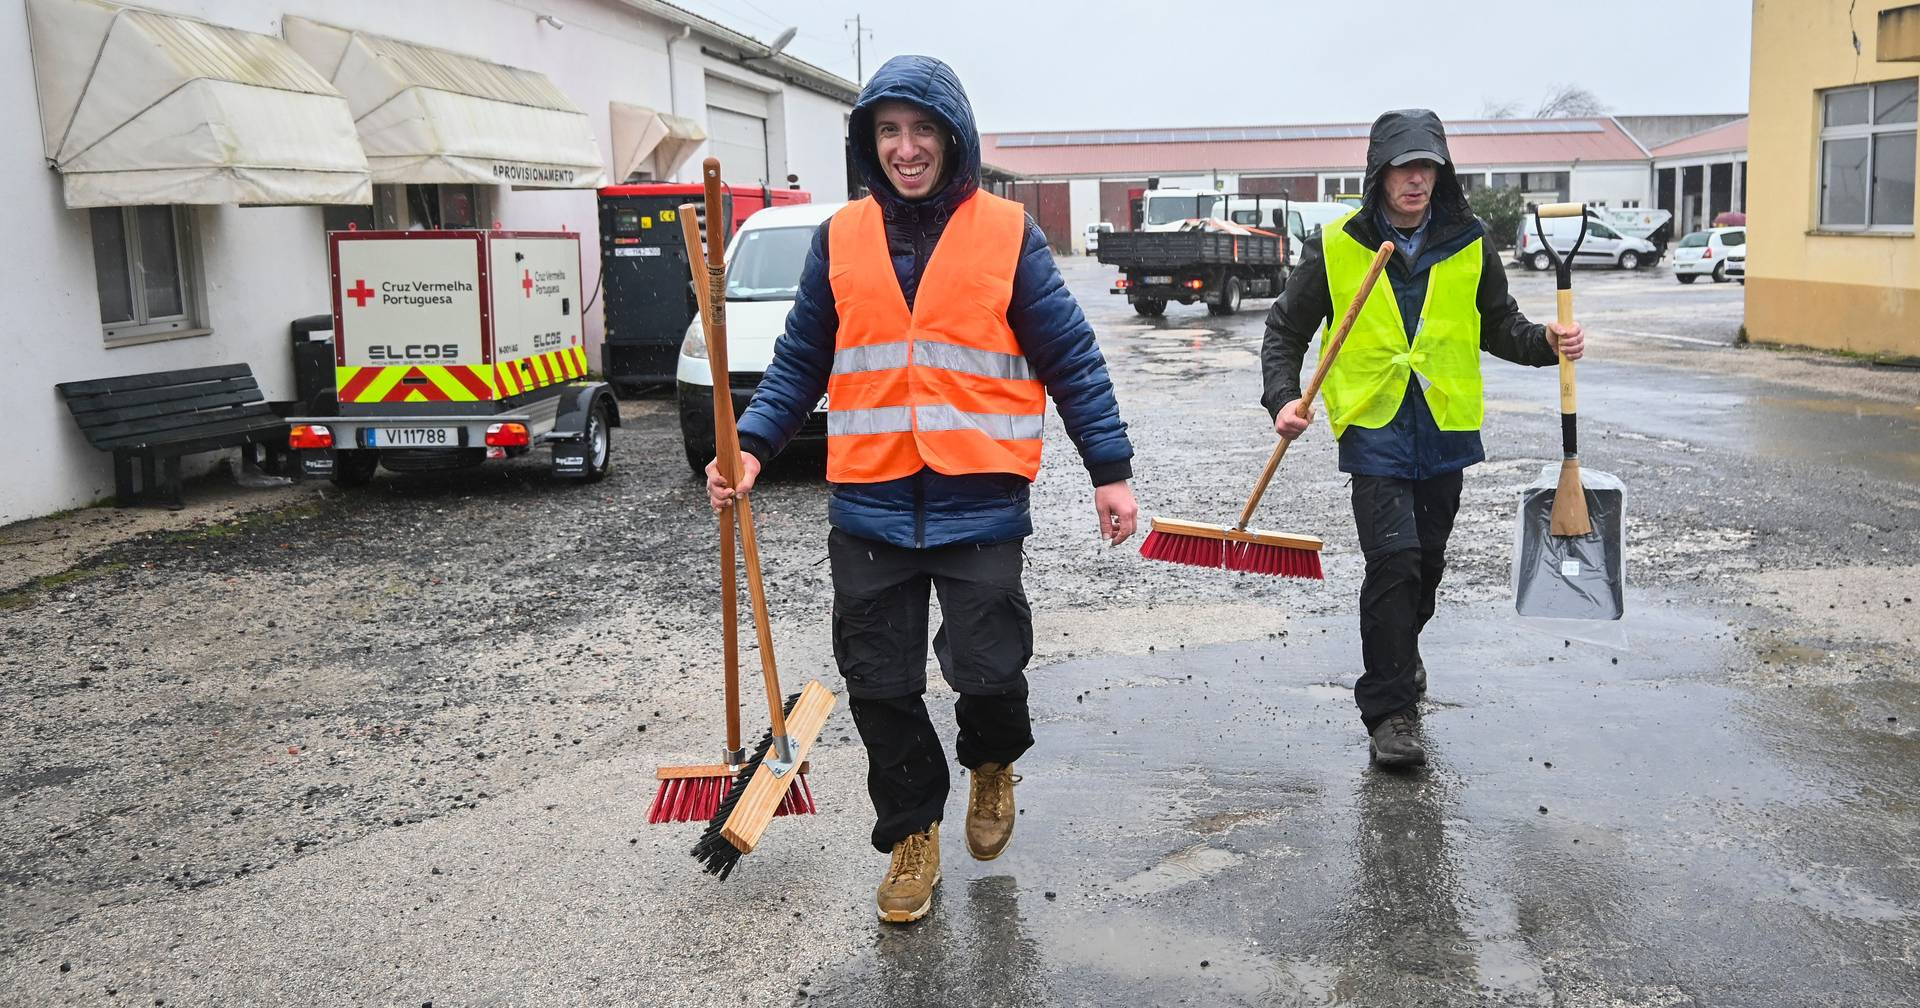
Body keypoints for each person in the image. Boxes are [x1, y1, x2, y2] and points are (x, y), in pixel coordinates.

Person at [707, 55, 1139, 923]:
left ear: (953, 137)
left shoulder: (1008, 234)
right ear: (870, 145)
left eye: (922, 130)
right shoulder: (840, 237)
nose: (906, 149)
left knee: (988, 668)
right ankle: (911, 833)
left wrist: (1110, 471)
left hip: (979, 497)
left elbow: (1071, 359)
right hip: (869, 501)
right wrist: (751, 443)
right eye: (889, 132)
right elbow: (802, 360)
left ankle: (989, 763)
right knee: (879, 682)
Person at [1260, 109, 1585, 768]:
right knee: (1395, 563)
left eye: (1427, 167)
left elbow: (1500, 325)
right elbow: (1284, 330)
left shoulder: (1468, 240)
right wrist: (1283, 398)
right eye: (1404, 167)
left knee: (1426, 569)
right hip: (1374, 427)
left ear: (1442, 172)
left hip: (1444, 427)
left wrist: (1547, 344)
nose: (1416, 180)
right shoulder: (1336, 244)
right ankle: (1389, 711)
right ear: (1379, 174)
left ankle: (1402, 654)